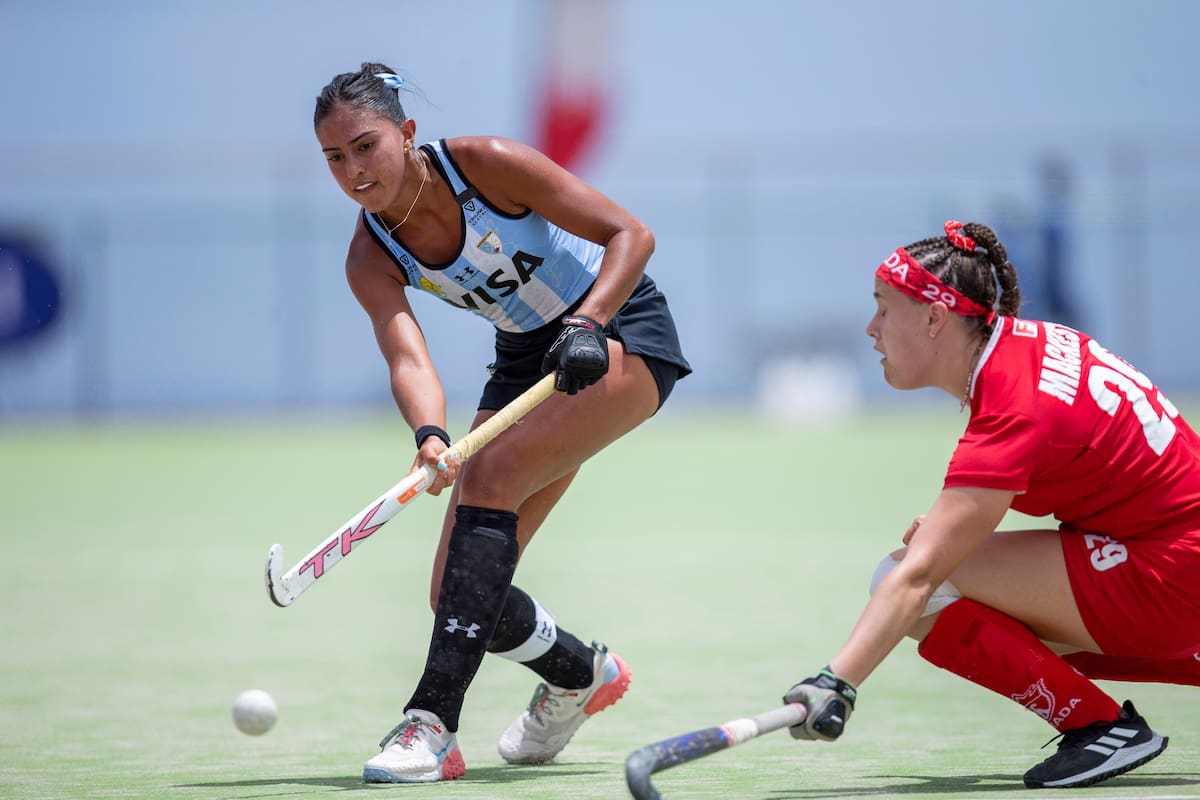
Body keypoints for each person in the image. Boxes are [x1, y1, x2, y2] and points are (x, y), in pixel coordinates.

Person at [313, 63, 691, 784]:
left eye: (366, 146)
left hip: (622, 326)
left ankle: (432, 726)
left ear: (407, 134)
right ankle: (581, 673)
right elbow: (409, 359)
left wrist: (588, 321)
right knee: (455, 590)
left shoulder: (485, 164)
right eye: (335, 157)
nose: (354, 170)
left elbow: (630, 235)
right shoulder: (370, 256)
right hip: (525, 357)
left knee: (490, 476)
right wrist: (429, 435)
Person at [781, 220, 1199, 789]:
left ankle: (1102, 728)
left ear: (935, 317)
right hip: (1168, 553)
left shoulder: (1011, 410)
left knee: (905, 577)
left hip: (1169, 571)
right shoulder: (1030, 345)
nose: (870, 329)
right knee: (967, 588)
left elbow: (920, 577)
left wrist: (837, 682)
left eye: (883, 308)